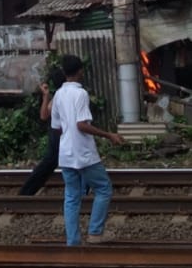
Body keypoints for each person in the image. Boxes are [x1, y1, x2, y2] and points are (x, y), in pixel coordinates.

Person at [49, 54, 124, 246]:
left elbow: (57, 127)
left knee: (72, 197)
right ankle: (95, 233)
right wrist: (109, 135)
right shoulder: (80, 94)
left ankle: (73, 241)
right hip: (83, 153)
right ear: (80, 71)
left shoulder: (58, 95)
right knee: (104, 189)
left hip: (65, 153)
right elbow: (81, 124)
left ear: (64, 72)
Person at [19, 64, 64, 196]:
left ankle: (27, 191)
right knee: (49, 163)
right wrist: (46, 96)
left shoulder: (58, 96)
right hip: (58, 134)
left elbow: (43, 116)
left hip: (56, 134)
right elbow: (44, 116)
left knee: (50, 163)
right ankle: (26, 192)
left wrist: (46, 96)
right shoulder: (59, 96)